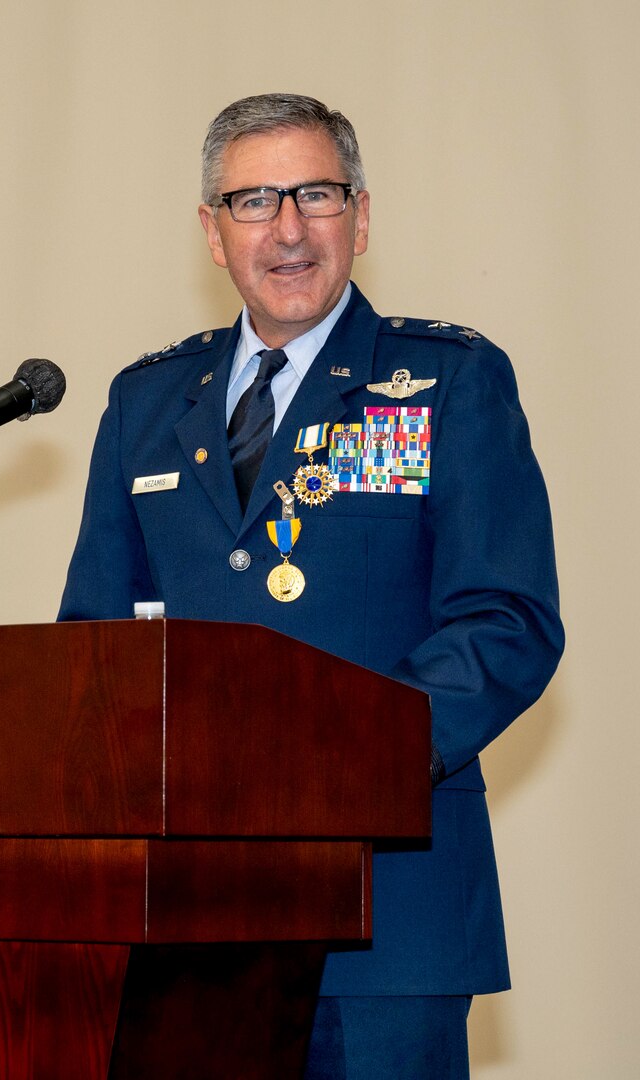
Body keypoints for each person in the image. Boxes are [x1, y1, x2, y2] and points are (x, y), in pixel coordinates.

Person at [58, 93, 563, 1078]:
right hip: (186, 929)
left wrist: (339, 760)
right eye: (252, 201)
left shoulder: (444, 381)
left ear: (360, 217)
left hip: (385, 920)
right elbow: (95, 647)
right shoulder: (147, 402)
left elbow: (503, 620)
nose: (286, 228)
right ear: (212, 232)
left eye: (314, 195)